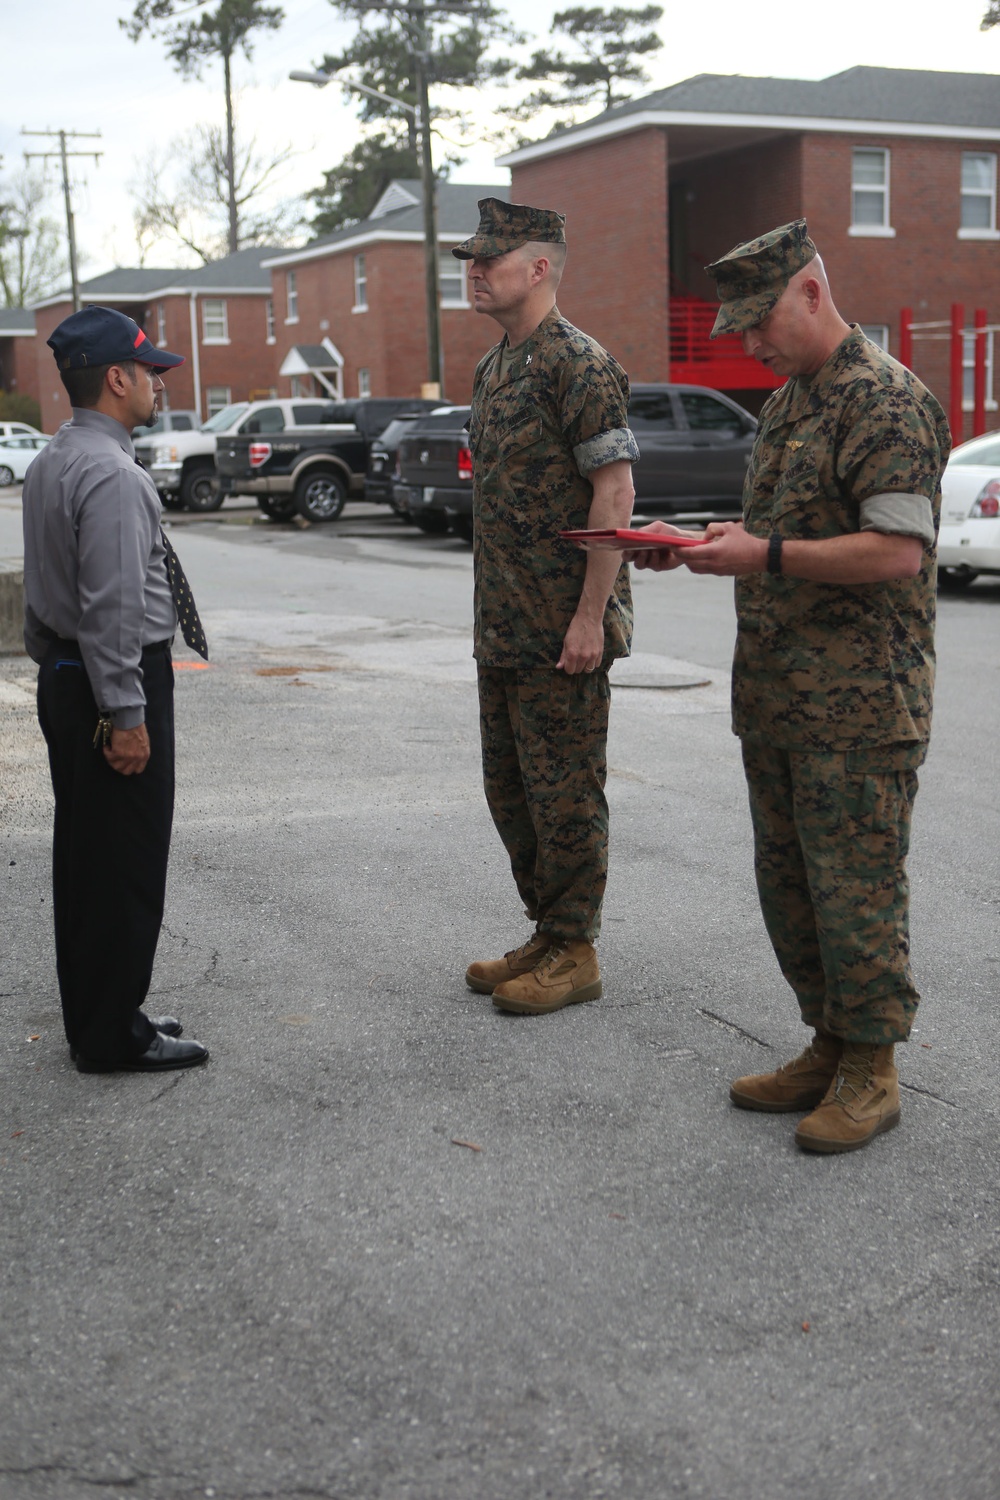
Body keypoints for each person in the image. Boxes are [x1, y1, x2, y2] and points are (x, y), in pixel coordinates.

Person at [630, 220, 949, 1152]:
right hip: (779, 698)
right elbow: (782, 532)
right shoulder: (791, 404)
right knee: (791, 885)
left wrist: (759, 552)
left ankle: (873, 1068)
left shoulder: (885, 401)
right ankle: (827, 1042)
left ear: (812, 291)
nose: (749, 343)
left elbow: (895, 550)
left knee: (855, 887)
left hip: (859, 707)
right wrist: (697, 544)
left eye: (760, 321)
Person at [452, 198, 639, 1016]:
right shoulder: (497, 368)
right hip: (505, 625)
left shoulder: (580, 365)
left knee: (565, 792)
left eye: (490, 259)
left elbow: (615, 492)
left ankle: (577, 948)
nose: (474, 271)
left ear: (539, 269)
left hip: (564, 629)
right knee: (513, 790)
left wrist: (591, 617)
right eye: (471, 259)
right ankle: (548, 929)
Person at [22, 305, 210, 1073]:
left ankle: (99, 1012)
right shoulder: (112, 475)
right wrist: (126, 713)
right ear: (117, 378)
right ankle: (111, 1035)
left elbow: (45, 598)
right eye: (150, 370)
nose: (160, 382)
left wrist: (64, 675)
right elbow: (116, 609)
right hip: (114, 683)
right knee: (125, 862)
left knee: (87, 859)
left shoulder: (52, 461)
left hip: (69, 677)